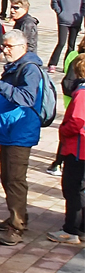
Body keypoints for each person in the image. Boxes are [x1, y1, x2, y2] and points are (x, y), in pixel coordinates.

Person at [0, 31, 46, 246]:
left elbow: (27, 98)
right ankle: (16, 216)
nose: (5, 50)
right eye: (4, 46)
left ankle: (17, 225)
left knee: (15, 180)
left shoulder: (29, 68)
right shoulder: (16, 66)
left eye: (9, 46)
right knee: (8, 177)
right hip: (10, 131)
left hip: (20, 131)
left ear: (23, 47)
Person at [54, 70, 85, 246]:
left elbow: (77, 121)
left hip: (78, 149)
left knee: (73, 189)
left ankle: (71, 230)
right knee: (80, 189)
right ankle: (81, 228)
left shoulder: (82, 93)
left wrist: (63, 131)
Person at [50, 0, 85, 71]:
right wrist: (60, 13)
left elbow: (83, 4)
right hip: (63, 20)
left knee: (71, 45)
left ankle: (68, 66)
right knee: (61, 42)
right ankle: (52, 63)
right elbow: (54, 2)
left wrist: (80, 14)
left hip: (76, 21)